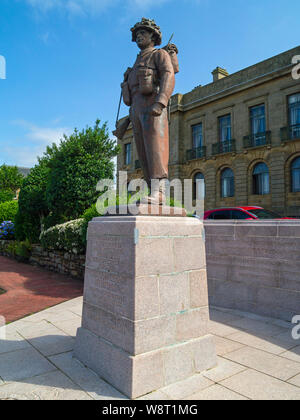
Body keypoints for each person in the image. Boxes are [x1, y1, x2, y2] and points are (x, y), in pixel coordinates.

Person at [119, 18, 177, 204]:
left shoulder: (159, 55)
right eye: (136, 35)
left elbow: (169, 75)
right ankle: (151, 188)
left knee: (155, 146)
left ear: (153, 35)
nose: (138, 37)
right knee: (142, 150)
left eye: (142, 33)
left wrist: (161, 102)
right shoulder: (135, 63)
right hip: (136, 107)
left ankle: (159, 190)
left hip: (152, 103)